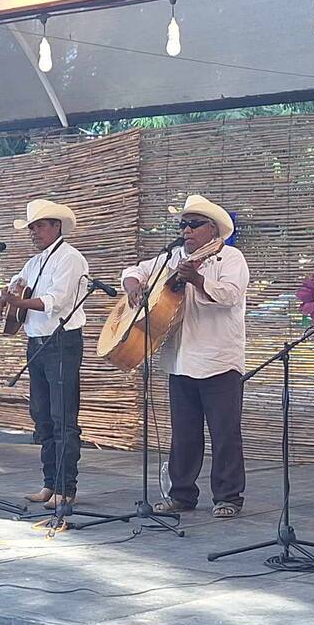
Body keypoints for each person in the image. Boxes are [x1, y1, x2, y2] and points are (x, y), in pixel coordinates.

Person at [121, 195, 249, 518]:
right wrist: (133, 286)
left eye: (194, 224)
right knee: (184, 433)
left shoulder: (231, 258)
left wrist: (197, 279)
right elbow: (135, 270)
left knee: (224, 433)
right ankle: (181, 494)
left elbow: (230, 295)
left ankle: (228, 497)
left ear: (213, 229)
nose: (186, 230)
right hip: (179, 360)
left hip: (218, 360)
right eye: (183, 225)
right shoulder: (173, 257)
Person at [0, 199, 88, 511]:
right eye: (31, 227)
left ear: (57, 226)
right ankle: (50, 483)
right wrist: (1, 301)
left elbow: (56, 301)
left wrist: (17, 304)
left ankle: (65, 487)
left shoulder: (70, 258)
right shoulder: (34, 262)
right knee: (42, 415)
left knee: (62, 416)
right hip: (37, 343)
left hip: (62, 341)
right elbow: (15, 285)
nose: (34, 232)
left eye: (40, 226)